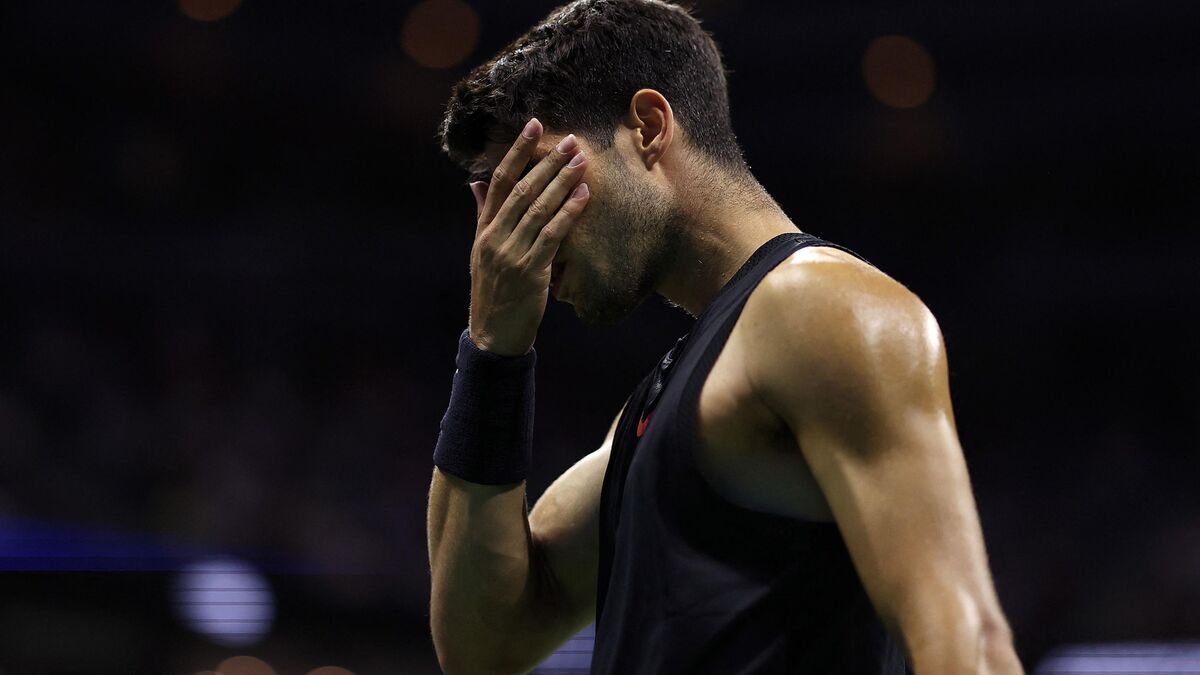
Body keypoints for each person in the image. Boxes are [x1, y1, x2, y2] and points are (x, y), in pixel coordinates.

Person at [426, 1, 1024, 673]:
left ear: (648, 128)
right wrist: (492, 351)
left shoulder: (824, 308)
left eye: (534, 183)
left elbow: (970, 649)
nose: (516, 236)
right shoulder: (671, 397)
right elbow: (483, 643)